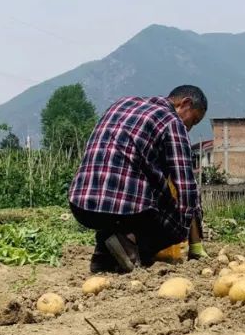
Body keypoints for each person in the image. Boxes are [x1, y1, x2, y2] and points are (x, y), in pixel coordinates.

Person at [68, 85, 209, 272]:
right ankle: (132, 247)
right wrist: (193, 241)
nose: (189, 128)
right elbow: (186, 186)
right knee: (176, 223)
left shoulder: (121, 104)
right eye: (194, 121)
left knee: (137, 195)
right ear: (185, 104)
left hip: (81, 204)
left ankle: (105, 254)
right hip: (123, 208)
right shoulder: (171, 121)